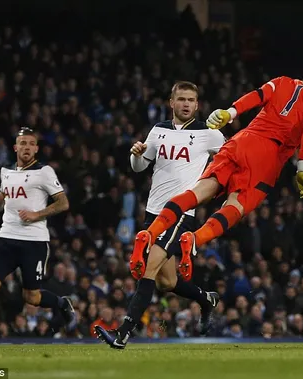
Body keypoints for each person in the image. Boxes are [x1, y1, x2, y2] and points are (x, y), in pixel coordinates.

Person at [132, 71, 303, 279]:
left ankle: (149, 233)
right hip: (266, 156)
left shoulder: (285, 81)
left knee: (197, 192)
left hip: (241, 139)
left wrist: (230, 112)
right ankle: (194, 239)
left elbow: (258, 95)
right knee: (235, 207)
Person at [95, 82, 223, 349]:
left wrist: (216, 186)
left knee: (147, 268)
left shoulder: (209, 134)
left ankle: (123, 333)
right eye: (182, 99)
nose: (186, 104)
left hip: (180, 212)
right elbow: (140, 167)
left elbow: (230, 158)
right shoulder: (159, 130)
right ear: (171, 102)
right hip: (153, 211)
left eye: (191, 100)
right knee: (167, 281)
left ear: (197, 105)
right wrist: (136, 156)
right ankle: (205, 299)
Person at [0, 127, 75, 348]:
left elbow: (63, 203)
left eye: (31, 144)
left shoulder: (45, 171)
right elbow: (3, 195)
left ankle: (61, 303)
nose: (27, 147)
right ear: (15, 147)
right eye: (23, 143)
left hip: (34, 241)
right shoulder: (7, 171)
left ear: (36, 148)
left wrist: (36, 214)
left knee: (31, 297)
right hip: (6, 238)